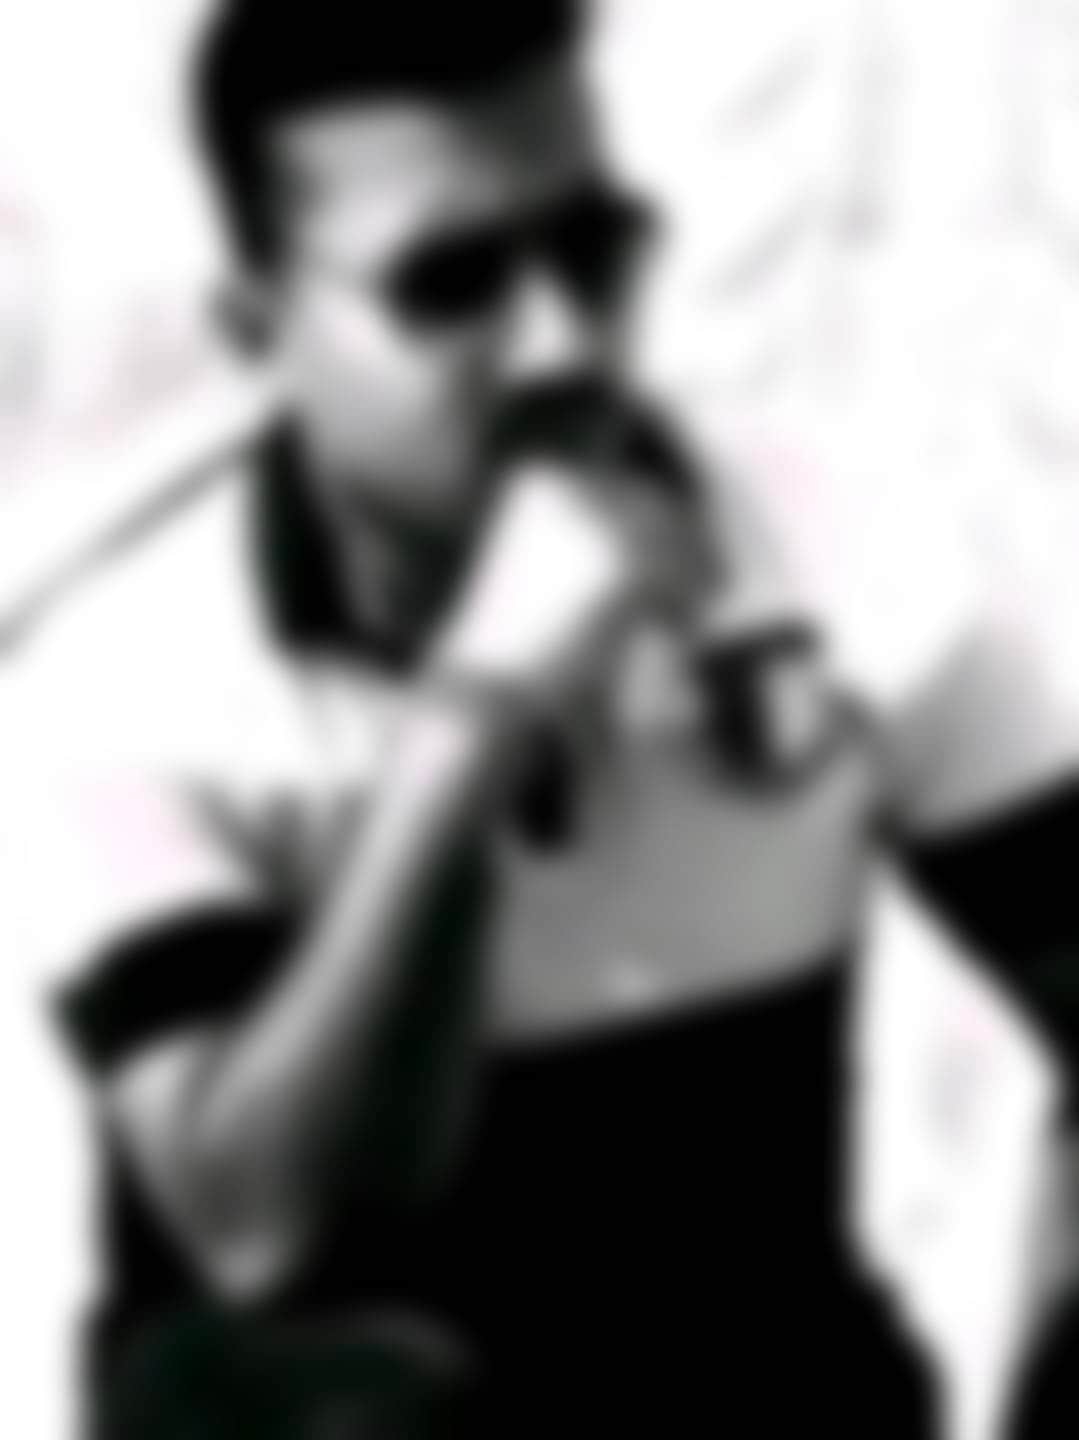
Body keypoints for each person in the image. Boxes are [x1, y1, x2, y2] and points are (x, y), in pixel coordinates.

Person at [5, 1, 1079, 1435]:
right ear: (259, 334)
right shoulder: (124, 681)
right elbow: (264, 1230)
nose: (559, 343)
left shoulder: (844, 548)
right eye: (451, 285)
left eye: (593, 246)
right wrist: (480, 711)